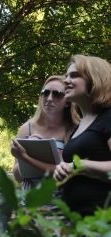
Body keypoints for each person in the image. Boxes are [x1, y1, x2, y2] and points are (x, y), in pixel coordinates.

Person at [53, 54, 111, 218]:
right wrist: (62, 171)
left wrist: (81, 166)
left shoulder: (108, 117)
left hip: (101, 227)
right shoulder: (79, 126)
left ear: (95, 79)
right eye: (66, 76)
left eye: (74, 75)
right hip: (76, 226)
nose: (66, 80)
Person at [11, 75, 80, 192]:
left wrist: (26, 157)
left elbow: (66, 172)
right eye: (45, 93)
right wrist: (27, 149)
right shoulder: (27, 128)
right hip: (31, 205)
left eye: (57, 94)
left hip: (62, 205)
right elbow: (18, 177)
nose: (49, 98)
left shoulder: (76, 129)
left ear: (68, 102)